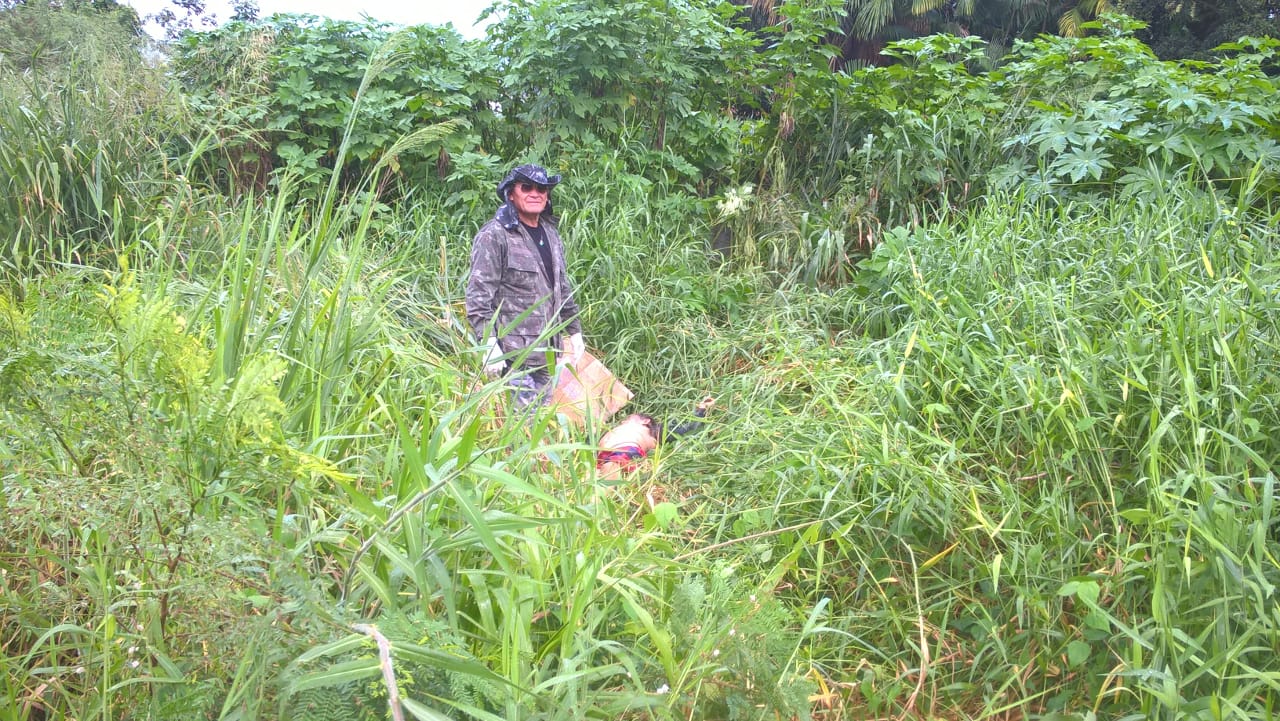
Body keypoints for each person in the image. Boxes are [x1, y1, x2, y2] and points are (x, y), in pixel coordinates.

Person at [466, 163, 585, 407]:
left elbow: (561, 286)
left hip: (548, 353)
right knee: (525, 424)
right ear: (511, 193)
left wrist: (574, 331)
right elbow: (478, 296)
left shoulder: (550, 233)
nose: (535, 193)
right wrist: (489, 344)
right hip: (514, 356)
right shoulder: (495, 235)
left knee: (542, 422)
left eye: (541, 189)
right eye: (527, 187)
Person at [596, 397, 715, 480]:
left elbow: (688, 429)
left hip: (624, 451)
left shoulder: (651, 432)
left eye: (629, 418)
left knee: (608, 477)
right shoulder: (615, 429)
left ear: (645, 421)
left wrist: (702, 409)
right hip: (600, 458)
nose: (623, 421)